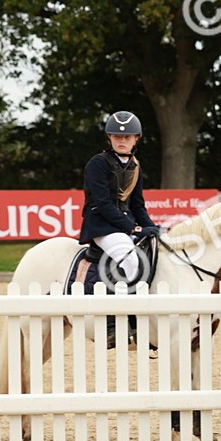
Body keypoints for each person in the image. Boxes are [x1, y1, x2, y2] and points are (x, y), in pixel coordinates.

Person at [78, 111, 161, 347]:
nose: (121, 140)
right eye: (116, 136)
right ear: (109, 138)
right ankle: (115, 322)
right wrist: (132, 227)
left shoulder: (135, 165)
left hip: (124, 224)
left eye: (127, 137)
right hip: (101, 224)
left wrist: (149, 226)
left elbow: (137, 204)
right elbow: (102, 203)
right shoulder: (98, 163)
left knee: (156, 252)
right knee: (131, 260)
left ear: (136, 139)